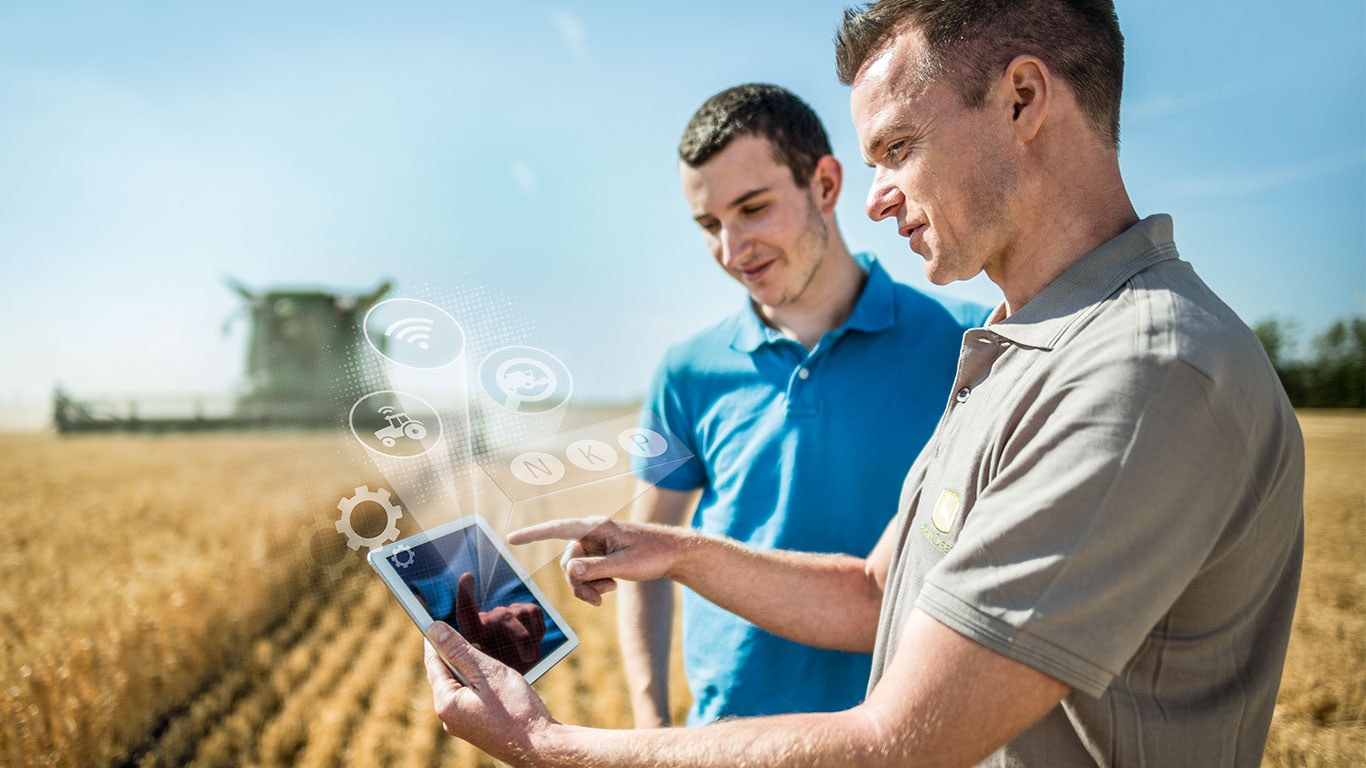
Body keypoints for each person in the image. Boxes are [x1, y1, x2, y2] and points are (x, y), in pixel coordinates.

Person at [418, 1, 1305, 764]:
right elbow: (879, 596)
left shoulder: (1140, 372)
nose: (879, 199)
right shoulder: (1014, 348)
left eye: (900, 146)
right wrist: (679, 552)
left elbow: (901, 744)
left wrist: (550, 746)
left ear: (1023, 100)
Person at [621, 82, 988, 727]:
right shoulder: (685, 372)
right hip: (728, 737)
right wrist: (651, 726)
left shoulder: (969, 346)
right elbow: (644, 556)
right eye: (710, 225)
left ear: (825, 185)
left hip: (905, 735)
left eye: (753, 208)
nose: (733, 251)